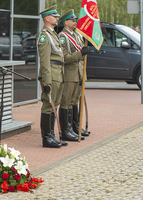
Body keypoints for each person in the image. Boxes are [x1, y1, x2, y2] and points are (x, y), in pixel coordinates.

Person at [37, 5, 68, 148]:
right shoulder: (44, 36)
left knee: (54, 105)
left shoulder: (53, 34)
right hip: (51, 75)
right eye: (54, 16)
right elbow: (44, 61)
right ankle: (46, 137)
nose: (57, 18)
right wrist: (46, 81)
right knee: (48, 106)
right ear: (47, 18)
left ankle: (52, 135)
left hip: (58, 74)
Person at [58, 9, 89, 141]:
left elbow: (81, 59)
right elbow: (64, 58)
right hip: (69, 74)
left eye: (75, 19)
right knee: (66, 102)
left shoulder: (77, 35)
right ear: (66, 23)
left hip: (78, 74)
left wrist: (83, 75)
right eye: (72, 20)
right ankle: (66, 131)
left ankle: (75, 127)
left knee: (75, 101)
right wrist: (80, 53)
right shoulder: (63, 37)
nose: (75, 21)